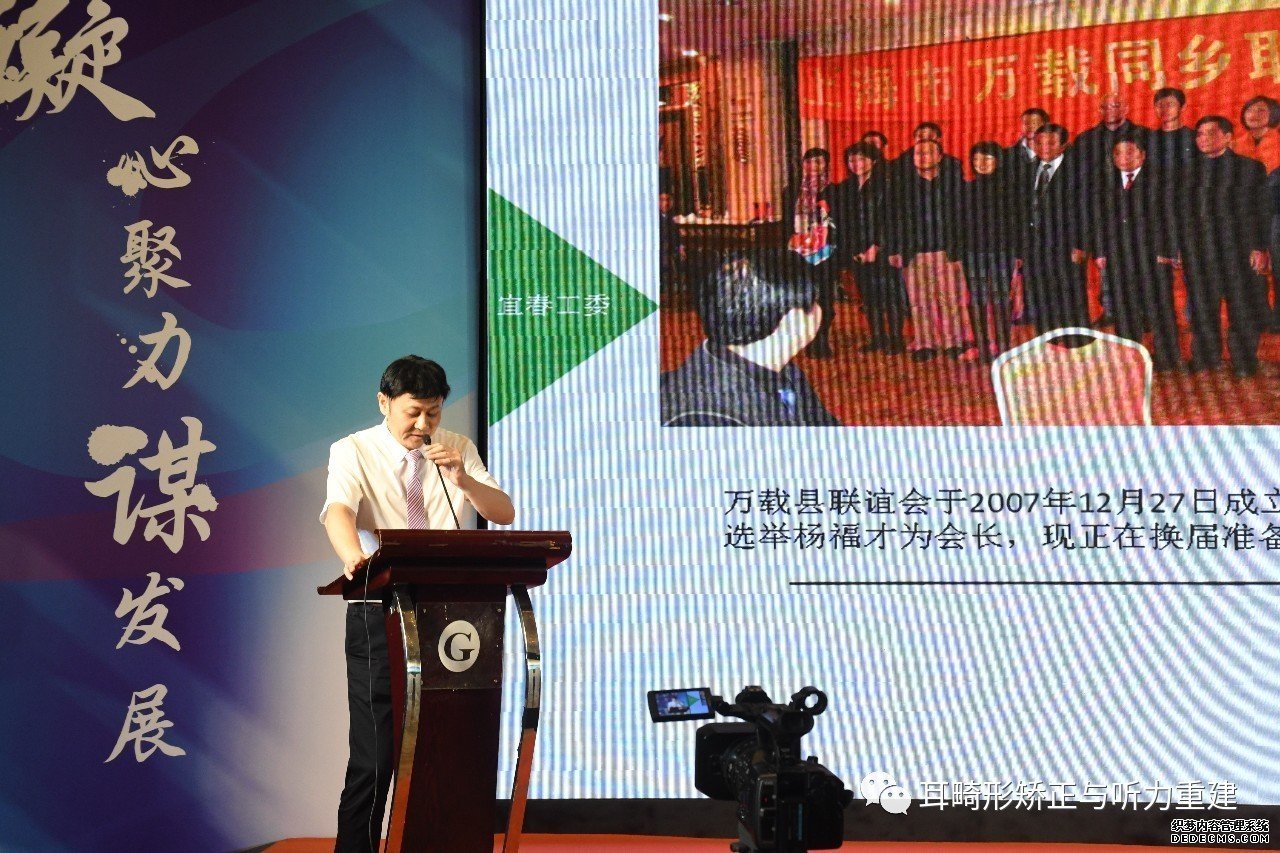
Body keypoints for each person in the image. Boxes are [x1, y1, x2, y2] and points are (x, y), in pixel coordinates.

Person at [320, 355, 515, 853]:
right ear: (384, 403)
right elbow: (338, 510)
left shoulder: (457, 448)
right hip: (379, 609)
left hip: (449, 615)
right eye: (413, 412)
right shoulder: (353, 450)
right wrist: (353, 557)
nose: (424, 425)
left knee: (445, 749)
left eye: (434, 412)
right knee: (376, 756)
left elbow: (503, 513)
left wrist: (465, 481)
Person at [661, 249, 840, 426]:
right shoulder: (708, 419)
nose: (821, 309)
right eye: (815, 301)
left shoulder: (784, 372)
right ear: (794, 321)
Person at [1175, 116, 1272, 376]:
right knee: (1202, 306)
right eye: (1199, 134)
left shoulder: (1249, 168)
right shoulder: (1187, 171)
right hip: (1198, 250)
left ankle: (1243, 361)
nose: (1203, 139)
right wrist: (1179, 247)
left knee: (1242, 306)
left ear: (1228, 137)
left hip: (1238, 249)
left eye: (1210, 133)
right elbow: (1179, 213)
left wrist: (1260, 247)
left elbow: (1262, 211)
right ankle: (1205, 357)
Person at [1089, 132, 1181, 371]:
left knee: (1158, 306)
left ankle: (1167, 357)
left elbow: (1172, 217)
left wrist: (1169, 251)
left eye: (1130, 152)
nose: (1124, 157)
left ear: (1143, 155)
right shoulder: (1105, 184)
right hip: (1118, 256)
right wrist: (1100, 251)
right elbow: (1098, 221)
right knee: (1123, 307)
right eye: (1118, 153)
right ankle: (1129, 355)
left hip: (1153, 256)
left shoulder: (1160, 182)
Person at [1071, 92, 1149, 327]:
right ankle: (1110, 309)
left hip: (1139, 209)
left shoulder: (1143, 135)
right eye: (1106, 106)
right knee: (1107, 263)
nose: (1111, 110)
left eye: (1116, 105)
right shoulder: (1086, 139)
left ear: (1126, 108)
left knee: (1141, 265)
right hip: (1102, 208)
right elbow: (1078, 180)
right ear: (1099, 110)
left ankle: (1144, 313)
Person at [888, 138, 968, 361]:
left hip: (946, 252)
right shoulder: (901, 186)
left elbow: (962, 219)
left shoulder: (953, 184)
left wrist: (960, 251)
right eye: (918, 153)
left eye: (928, 153)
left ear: (940, 157)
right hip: (914, 253)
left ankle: (953, 342)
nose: (922, 157)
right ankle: (925, 343)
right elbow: (892, 221)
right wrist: (894, 250)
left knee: (950, 300)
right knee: (919, 301)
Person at [833, 141, 906, 353]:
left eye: (862, 159)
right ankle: (877, 337)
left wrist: (877, 246)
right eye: (852, 160)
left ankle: (896, 339)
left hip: (883, 248)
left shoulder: (887, 185)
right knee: (868, 297)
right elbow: (844, 221)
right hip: (856, 250)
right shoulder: (845, 188)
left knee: (889, 295)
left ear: (873, 161)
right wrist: (851, 250)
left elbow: (893, 219)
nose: (856, 164)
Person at [1020, 123, 1090, 334]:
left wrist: (1081, 245)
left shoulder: (1078, 171)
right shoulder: (1028, 169)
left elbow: (1086, 210)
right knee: (1040, 293)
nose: (1044, 147)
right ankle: (1047, 337)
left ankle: (1076, 340)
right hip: (1034, 246)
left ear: (1064, 145)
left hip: (1066, 244)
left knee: (1070, 293)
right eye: (1039, 142)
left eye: (1051, 143)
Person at [960, 141, 1020, 362]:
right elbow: (958, 223)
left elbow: (1018, 222)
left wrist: (1018, 252)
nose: (981, 163)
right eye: (976, 159)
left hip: (1001, 251)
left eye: (987, 158)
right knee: (976, 298)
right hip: (972, 253)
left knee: (1000, 298)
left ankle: (1003, 347)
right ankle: (982, 346)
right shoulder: (966, 189)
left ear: (998, 161)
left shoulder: (1010, 189)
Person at [781, 147, 838, 357]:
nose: (814, 166)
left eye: (819, 162)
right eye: (810, 162)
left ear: (826, 165)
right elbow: (786, 222)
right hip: (798, 249)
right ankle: (806, 338)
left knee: (824, 297)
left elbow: (838, 222)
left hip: (825, 251)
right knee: (803, 296)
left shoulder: (834, 191)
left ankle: (821, 339)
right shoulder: (791, 190)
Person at [1231, 95, 1280, 330]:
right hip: (1247, 213)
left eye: (1261, 110)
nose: (1254, 115)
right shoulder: (1235, 144)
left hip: (1276, 211)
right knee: (1251, 266)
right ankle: (1259, 316)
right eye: (1250, 110)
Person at [1149, 87, 1196, 172]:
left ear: (1183, 107)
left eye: (1170, 105)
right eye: (1159, 105)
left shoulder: (1194, 138)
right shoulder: (1149, 138)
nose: (1165, 109)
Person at [1004, 107, 1050, 173]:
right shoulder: (1007, 154)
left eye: (1035, 123)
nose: (1030, 126)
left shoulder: (1058, 153)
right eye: (1026, 123)